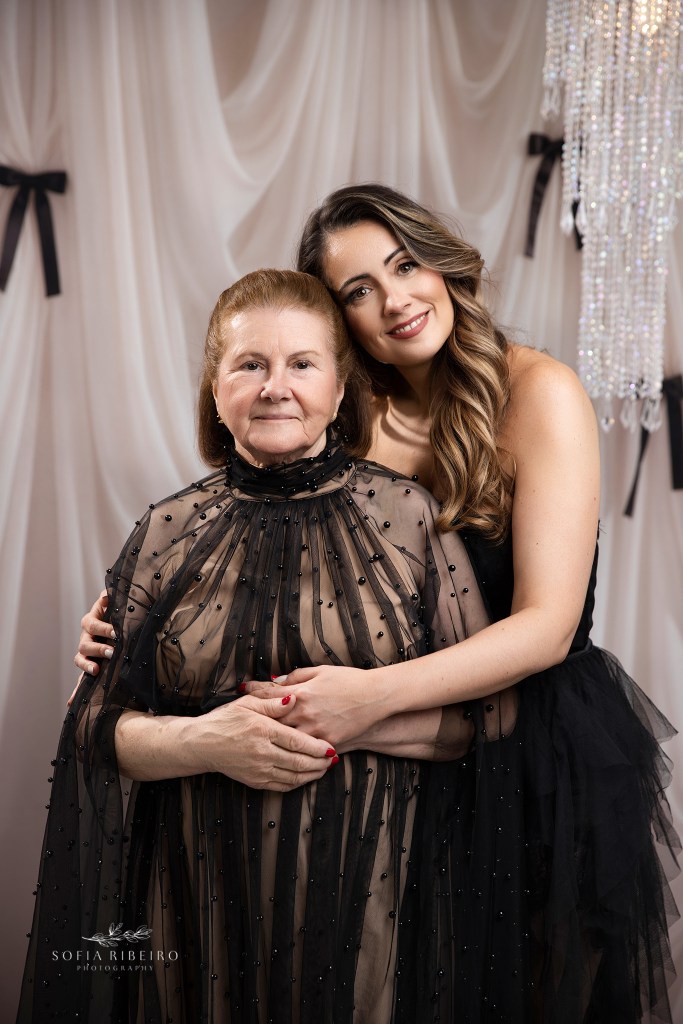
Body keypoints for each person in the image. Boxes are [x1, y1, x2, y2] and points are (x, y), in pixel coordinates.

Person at [76, 182, 680, 1023]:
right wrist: (137, 623)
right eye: (358, 289)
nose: (393, 300)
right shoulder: (352, 419)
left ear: (443, 266)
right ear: (337, 320)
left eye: (404, 265)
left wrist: (366, 700)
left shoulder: (538, 392)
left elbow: (543, 627)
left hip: (535, 747)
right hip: (409, 765)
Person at [19, 268, 496, 1023]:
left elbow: (485, 720)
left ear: (340, 390)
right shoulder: (166, 533)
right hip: (192, 908)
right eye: (250, 365)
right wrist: (205, 742)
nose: (276, 387)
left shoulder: (407, 517)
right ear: (217, 390)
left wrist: (352, 718)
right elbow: (93, 727)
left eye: (302, 364)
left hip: (373, 901)